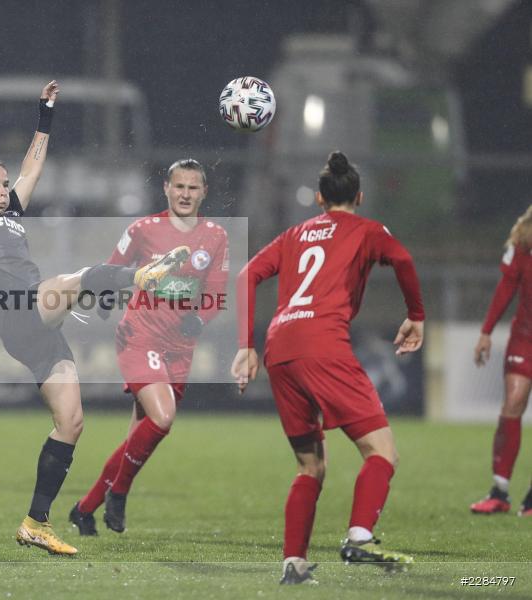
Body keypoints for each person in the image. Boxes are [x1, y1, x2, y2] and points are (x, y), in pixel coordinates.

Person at [0, 80, 189, 556]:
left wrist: (45, 114)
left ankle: (35, 522)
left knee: (71, 422)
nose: (3, 189)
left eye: (2, 183)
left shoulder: (13, 209)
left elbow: (34, 164)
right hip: (20, 311)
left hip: (39, 332)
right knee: (75, 279)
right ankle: (144, 276)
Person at [231, 151, 425, 584]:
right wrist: (416, 314)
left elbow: (245, 275)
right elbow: (405, 261)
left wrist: (245, 345)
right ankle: (358, 537)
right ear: (360, 195)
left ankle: (294, 565)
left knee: (310, 466)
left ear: (319, 198)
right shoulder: (368, 230)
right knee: (382, 451)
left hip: (279, 347)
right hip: (323, 345)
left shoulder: (293, 234)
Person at [69, 159, 229, 535]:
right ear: (166, 189)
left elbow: (216, 293)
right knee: (163, 418)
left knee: (139, 436)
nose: (185, 194)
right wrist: (106, 297)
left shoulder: (216, 236)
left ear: (204, 192)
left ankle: (84, 508)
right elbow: (111, 269)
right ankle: (119, 493)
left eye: (193, 188)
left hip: (180, 346)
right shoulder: (143, 229)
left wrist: (200, 319)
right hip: (140, 336)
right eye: (179, 186)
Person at [469, 204, 532, 516]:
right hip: (525, 338)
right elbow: (506, 287)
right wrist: (486, 332)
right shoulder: (524, 240)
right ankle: (500, 491)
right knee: (513, 402)